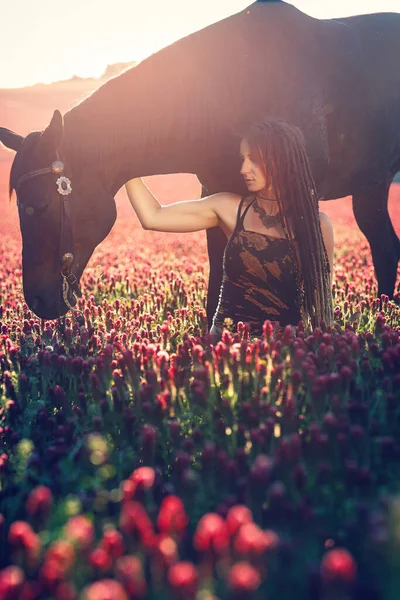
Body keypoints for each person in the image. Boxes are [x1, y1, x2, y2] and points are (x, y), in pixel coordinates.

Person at [125, 118, 334, 339]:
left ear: (280, 161)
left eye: (253, 159)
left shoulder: (316, 226)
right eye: (242, 159)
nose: (244, 169)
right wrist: (126, 167)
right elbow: (153, 216)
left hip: (282, 352)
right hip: (223, 345)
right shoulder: (230, 208)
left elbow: (321, 303)